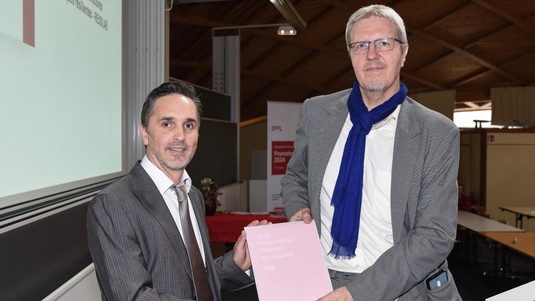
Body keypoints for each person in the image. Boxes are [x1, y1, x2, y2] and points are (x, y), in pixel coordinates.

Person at [281, 4, 461, 301]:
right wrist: (298, 208)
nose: (372, 55)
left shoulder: (437, 132)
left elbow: (434, 235)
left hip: (401, 287)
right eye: (360, 45)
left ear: (404, 53)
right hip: (320, 280)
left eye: (384, 43)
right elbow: (295, 176)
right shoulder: (317, 113)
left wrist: (357, 293)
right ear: (350, 54)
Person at [87, 81, 266, 300]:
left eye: (189, 125)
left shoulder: (193, 196)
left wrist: (235, 263)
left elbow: (196, 281)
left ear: (198, 135)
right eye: (167, 124)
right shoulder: (113, 204)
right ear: (145, 133)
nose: (180, 136)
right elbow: (133, 297)